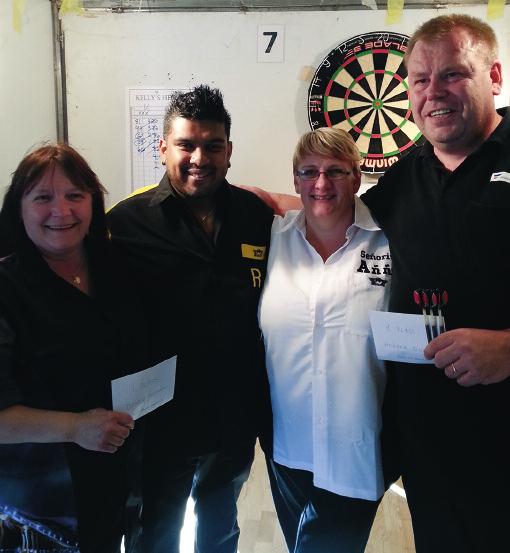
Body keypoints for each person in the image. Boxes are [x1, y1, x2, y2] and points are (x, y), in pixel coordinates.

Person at [362, 14, 510, 553]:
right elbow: (333, 216)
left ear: (493, 75)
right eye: (421, 80)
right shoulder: (407, 174)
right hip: (433, 452)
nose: (434, 92)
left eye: (452, 74)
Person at [107, 84, 274, 553]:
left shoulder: (255, 215)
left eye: (212, 145)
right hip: (158, 421)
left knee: (220, 524)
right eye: (186, 144)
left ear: (229, 151)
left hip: (233, 412)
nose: (199, 156)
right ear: (163, 148)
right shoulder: (124, 224)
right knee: (154, 530)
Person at [0, 143, 152, 552]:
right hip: (41, 507)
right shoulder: (5, 287)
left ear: (93, 202)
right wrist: (75, 427)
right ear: (19, 207)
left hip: (117, 482)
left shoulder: (118, 266)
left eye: (74, 196)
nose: (61, 211)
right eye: (43, 198)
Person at [259, 127, 391, 553]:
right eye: (309, 172)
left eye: (336, 171)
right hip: (287, 446)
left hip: (357, 446)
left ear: (357, 178)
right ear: (295, 179)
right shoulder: (272, 239)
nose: (321, 183)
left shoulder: (390, 242)